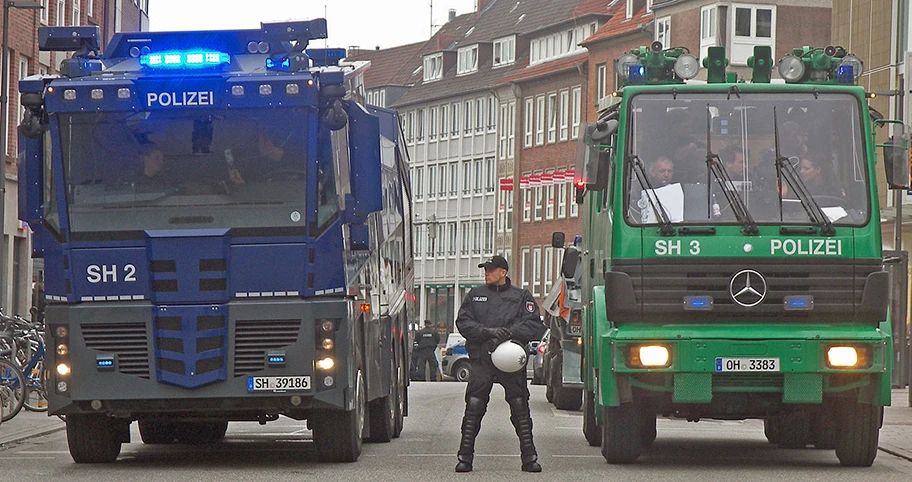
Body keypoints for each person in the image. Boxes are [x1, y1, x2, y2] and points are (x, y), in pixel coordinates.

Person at [454, 255, 547, 473]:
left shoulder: (520, 297)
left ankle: (529, 457)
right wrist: (487, 332)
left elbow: (534, 325)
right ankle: (464, 457)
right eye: (485, 269)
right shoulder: (475, 296)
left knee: (519, 406)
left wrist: (509, 334)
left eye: (490, 269)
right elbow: (463, 322)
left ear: (502, 272)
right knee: (474, 406)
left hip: (510, 359)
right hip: (482, 358)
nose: (486, 273)